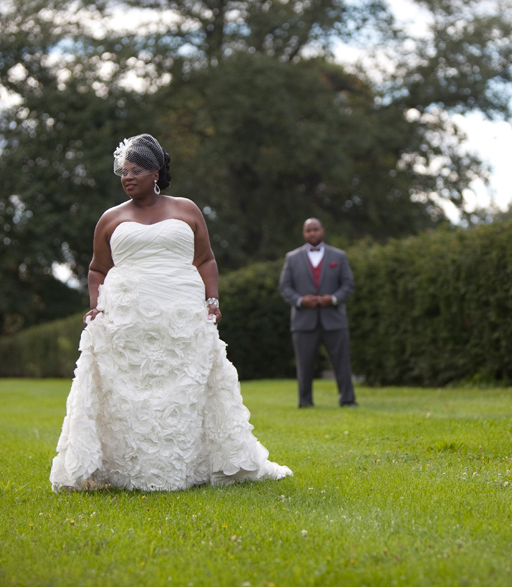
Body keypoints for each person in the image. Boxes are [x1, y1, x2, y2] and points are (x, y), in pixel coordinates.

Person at [50, 134, 292, 492]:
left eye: (137, 170)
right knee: (130, 390)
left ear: (157, 172)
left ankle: (189, 464)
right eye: (124, 171)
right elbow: (97, 270)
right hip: (127, 316)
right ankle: (126, 467)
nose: (128, 177)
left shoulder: (186, 210)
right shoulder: (110, 218)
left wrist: (213, 299)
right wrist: (95, 306)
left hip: (180, 314)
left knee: (182, 389)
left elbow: (206, 259)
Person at [279, 218, 357, 408]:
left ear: (322, 230)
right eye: (308, 230)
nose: (312, 233)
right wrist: (300, 300)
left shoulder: (338, 256)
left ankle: (347, 400)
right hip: (303, 321)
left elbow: (348, 285)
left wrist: (333, 299)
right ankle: (305, 402)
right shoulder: (292, 257)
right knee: (304, 365)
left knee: (342, 363)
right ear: (304, 234)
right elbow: (285, 287)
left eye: (315, 229)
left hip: (334, 319)